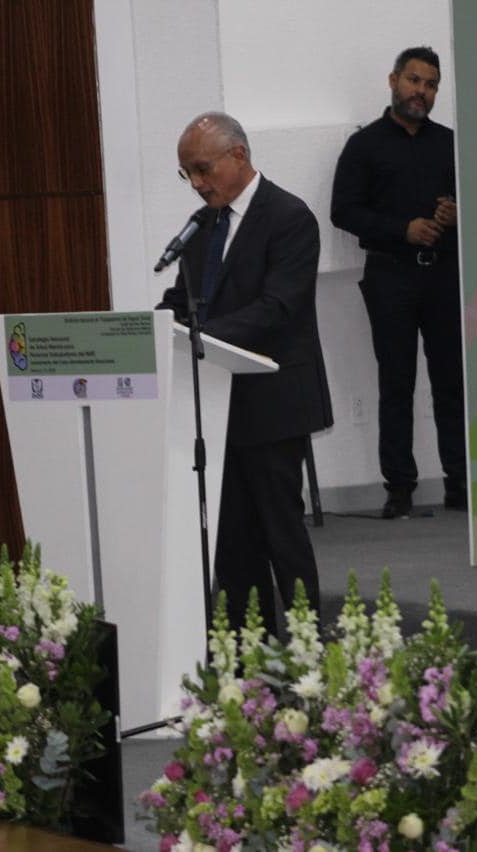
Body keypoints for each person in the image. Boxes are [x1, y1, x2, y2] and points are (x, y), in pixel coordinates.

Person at [157, 112, 333, 635]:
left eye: (202, 169)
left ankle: (306, 645)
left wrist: (201, 335)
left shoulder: (289, 217)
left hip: (274, 403)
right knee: (232, 537)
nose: (196, 182)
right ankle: (246, 645)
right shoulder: (201, 226)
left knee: (281, 532)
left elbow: (279, 307)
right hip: (216, 404)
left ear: (238, 155)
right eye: (187, 173)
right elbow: (182, 300)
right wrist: (153, 327)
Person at [331, 46, 467, 519]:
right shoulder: (364, 146)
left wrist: (459, 213)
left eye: (430, 85)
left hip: (445, 273)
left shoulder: (450, 143)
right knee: (396, 383)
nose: (421, 92)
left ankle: (460, 483)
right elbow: (342, 211)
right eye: (414, 81)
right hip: (390, 274)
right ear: (393, 81)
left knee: (452, 381)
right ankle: (400, 488)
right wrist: (401, 229)